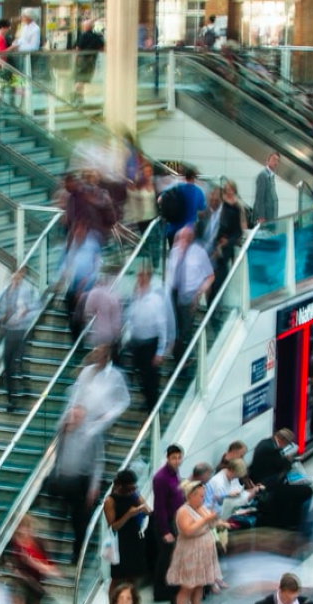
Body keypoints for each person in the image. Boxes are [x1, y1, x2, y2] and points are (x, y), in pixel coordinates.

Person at [56, 346, 130, 563]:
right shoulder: (65, 431)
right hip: (66, 477)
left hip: (83, 477)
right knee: (65, 513)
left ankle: (79, 551)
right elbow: (59, 452)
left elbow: (98, 460)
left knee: (80, 517)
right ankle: (64, 545)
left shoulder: (91, 434)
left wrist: (94, 486)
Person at [167, 479, 222, 604]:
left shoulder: (202, 508)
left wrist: (214, 520)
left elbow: (210, 525)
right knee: (187, 587)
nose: (202, 499)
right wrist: (206, 519)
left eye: (203, 496)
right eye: (200, 496)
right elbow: (187, 531)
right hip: (190, 551)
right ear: (190, 496)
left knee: (199, 585)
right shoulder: (183, 511)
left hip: (203, 550)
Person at [125, 263, 170, 414]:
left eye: (141, 276)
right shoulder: (136, 297)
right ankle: (147, 400)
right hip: (137, 342)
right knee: (139, 374)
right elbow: (130, 317)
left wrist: (160, 351)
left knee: (151, 378)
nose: (138, 279)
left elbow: (162, 325)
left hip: (150, 344)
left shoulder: (155, 300)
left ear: (148, 278)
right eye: (138, 276)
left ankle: (154, 407)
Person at [166, 224, 214, 363]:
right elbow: (169, 273)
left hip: (190, 295)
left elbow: (210, 276)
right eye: (179, 238)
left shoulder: (199, 253)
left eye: (184, 238)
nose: (181, 241)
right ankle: (179, 357)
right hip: (173, 294)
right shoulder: (174, 252)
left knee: (185, 329)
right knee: (175, 328)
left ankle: (183, 360)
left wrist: (199, 292)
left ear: (190, 239)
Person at [0, 266, 41, 413]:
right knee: (8, 365)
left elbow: (37, 307)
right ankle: (11, 399)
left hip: (22, 331)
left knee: (19, 362)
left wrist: (24, 314)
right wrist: (1, 318)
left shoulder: (28, 290)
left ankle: (25, 388)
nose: (16, 277)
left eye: (19, 274)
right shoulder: (5, 292)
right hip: (9, 332)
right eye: (14, 274)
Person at [103, 469, 151, 583]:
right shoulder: (110, 501)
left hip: (134, 538)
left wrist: (140, 503)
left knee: (134, 575)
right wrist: (128, 514)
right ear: (121, 486)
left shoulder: (134, 495)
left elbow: (148, 511)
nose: (132, 490)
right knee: (118, 578)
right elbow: (113, 527)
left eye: (134, 487)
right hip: (120, 542)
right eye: (129, 488)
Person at [152, 444, 183, 602]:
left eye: (179, 458)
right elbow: (160, 507)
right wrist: (165, 530)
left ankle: (169, 587)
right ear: (168, 458)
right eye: (173, 458)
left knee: (172, 556)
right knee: (165, 557)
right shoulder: (161, 478)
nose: (177, 461)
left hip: (175, 520)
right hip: (165, 521)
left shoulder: (174, 474)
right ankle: (160, 590)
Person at [74, 19, 103, 105]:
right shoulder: (96, 37)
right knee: (85, 79)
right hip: (91, 60)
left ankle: (78, 97)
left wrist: (76, 59)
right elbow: (102, 48)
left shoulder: (83, 36)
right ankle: (81, 97)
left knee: (79, 79)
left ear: (85, 27)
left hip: (82, 60)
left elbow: (78, 49)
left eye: (84, 25)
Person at [252, 152, 279, 224]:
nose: (276, 162)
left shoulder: (271, 176)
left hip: (270, 216)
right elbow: (260, 198)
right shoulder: (263, 175)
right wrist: (261, 216)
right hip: (264, 218)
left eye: (277, 160)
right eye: (274, 159)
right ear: (268, 161)